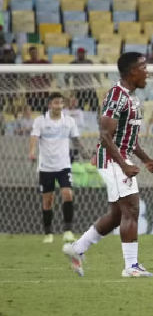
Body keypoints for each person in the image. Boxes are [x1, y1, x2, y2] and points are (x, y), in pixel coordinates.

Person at [63, 52, 153, 278]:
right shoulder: (117, 96)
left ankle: (77, 249)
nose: (148, 72)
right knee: (132, 209)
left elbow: (128, 137)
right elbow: (105, 135)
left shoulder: (132, 97)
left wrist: (145, 159)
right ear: (133, 71)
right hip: (112, 159)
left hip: (120, 157)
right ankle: (131, 266)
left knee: (118, 214)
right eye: (144, 67)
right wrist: (124, 165)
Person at [30, 93, 89, 243]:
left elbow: (75, 139)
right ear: (50, 105)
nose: (59, 105)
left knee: (68, 194)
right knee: (48, 201)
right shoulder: (40, 121)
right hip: (46, 167)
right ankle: (48, 233)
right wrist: (31, 152)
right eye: (56, 103)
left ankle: (68, 231)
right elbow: (34, 137)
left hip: (64, 165)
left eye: (61, 103)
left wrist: (84, 153)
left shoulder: (69, 121)